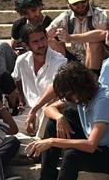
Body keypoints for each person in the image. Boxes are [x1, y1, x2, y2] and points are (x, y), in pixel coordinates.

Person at [12, 24, 70, 163]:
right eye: (35, 41)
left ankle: (32, 148)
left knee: (48, 107)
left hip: (46, 113)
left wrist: (35, 110)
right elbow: (17, 79)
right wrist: (21, 99)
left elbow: (54, 88)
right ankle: (35, 147)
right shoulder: (21, 61)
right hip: (29, 113)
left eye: (42, 39)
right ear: (27, 45)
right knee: (1, 127)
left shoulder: (59, 60)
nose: (41, 44)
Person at [49, 0, 109, 71]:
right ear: (68, 3)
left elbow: (102, 33)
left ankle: (93, 78)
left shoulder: (99, 14)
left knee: (93, 43)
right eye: (75, 3)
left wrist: (70, 38)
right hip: (75, 58)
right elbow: (47, 33)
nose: (80, 5)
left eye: (83, 1)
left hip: (98, 59)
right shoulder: (65, 16)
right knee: (51, 42)